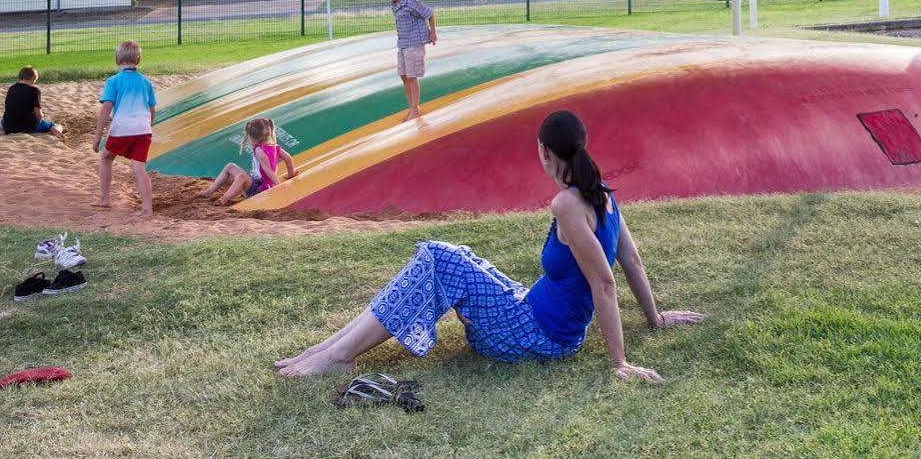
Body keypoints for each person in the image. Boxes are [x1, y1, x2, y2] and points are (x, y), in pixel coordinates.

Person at [274, 109, 704, 382]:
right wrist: (656, 317)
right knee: (446, 257)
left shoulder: (568, 205)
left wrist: (619, 364)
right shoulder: (602, 191)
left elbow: (606, 282)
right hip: (531, 312)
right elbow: (632, 258)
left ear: (543, 152)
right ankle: (331, 350)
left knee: (440, 258)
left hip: (535, 335)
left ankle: (340, 354)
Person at [93, 39, 157, 217]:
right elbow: (152, 110)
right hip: (144, 130)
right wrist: (148, 125)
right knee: (139, 167)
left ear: (117, 59)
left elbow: (106, 108)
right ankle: (147, 208)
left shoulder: (114, 81)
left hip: (122, 128)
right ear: (138, 60)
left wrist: (98, 136)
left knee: (106, 157)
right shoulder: (146, 82)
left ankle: (105, 199)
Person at [378, 0, 436, 120]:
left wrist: (433, 32)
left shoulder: (411, 2)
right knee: (403, 76)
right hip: (403, 44)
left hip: (414, 44)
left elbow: (429, 13)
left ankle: (415, 110)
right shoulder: (395, 3)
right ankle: (412, 108)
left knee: (412, 77)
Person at [202, 115, 297, 205]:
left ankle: (223, 200)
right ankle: (209, 192)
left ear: (252, 138)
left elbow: (268, 171)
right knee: (230, 166)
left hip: (260, 188)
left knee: (242, 176)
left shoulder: (260, 150)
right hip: (255, 183)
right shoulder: (275, 147)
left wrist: (278, 186)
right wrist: (290, 174)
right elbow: (288, 158)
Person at [0, 65, 64, 139]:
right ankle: (54, 129)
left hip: (8, 127)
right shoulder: (35, 91)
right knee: (55, 125)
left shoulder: (12, 88)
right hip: (28, 126)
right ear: (34, 78)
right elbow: (38, 115)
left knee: (2, 121)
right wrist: (42, 115)